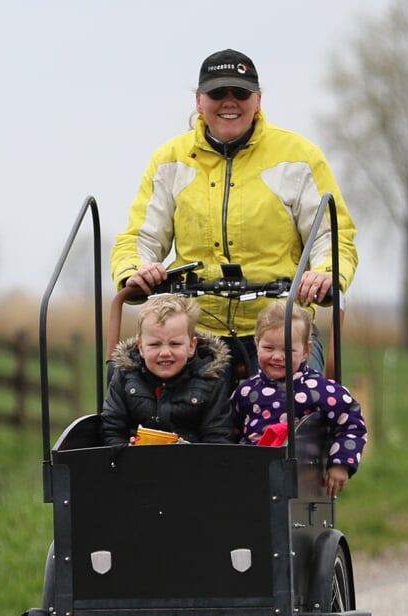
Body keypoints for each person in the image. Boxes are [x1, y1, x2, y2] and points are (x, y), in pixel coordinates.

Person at [111, 48, 358, 380]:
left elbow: (332, 235)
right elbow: (140, 238)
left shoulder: (299, 157)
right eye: (217, 93)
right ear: (199, 101)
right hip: (198, 329)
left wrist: (326, 274)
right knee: (146, 404)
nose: (229, 102)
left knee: (298, 413)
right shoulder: (170, 161)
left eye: (239, 93)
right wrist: (135, 271)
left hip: (280, 326)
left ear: (257, 101)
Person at [231, 302, 366, 496]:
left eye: (288, 351)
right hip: (250, 481)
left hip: (301, 484)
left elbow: (352, 423)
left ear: (305, 350)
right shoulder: (246, 392)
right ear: (256, 344)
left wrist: (341, 464)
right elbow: (230, 432)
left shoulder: (321, 390)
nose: (277, 356)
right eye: (268, 347)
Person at [100, 293, 234, 446]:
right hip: (135, 464)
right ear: (141, 347)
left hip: (192, 466)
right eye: (155, 344)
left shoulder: (210, 382)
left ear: (191, 346)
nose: (164, 353)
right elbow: (111, 429)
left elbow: (218, 438)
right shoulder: (126, 375)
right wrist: (126, 451)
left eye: (175, 344)